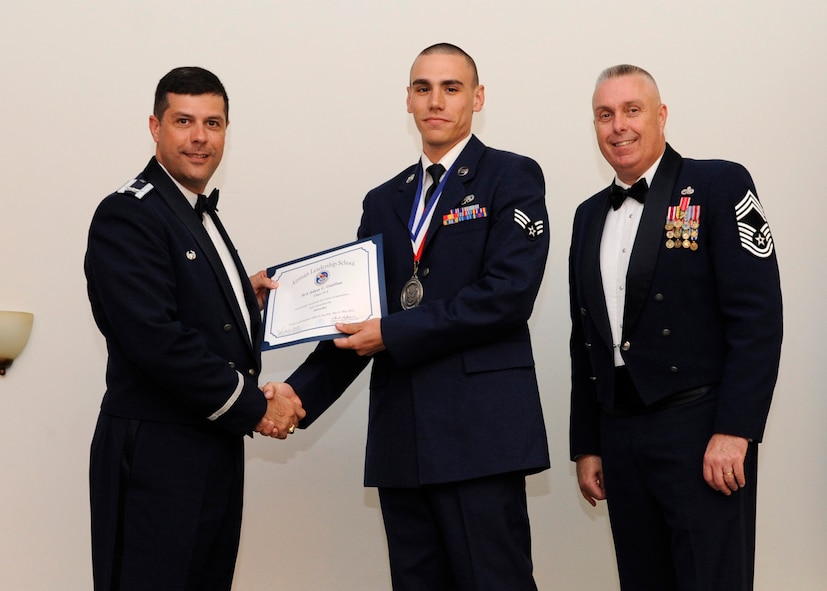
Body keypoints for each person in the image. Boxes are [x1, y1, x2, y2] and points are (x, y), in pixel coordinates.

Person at [264, 43, 550, 590]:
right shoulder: (384, 200)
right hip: (403, 442)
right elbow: (357, 318)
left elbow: (507, 295)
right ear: (409, 101)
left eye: (451, 87)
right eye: (423, 88)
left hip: (479, 441)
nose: (435, 101)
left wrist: (392, 332)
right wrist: (298, 397)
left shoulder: (511, 177)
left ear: (478, 98)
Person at [84, 66, 304, 591]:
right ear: (155, 127)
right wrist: (257, 407)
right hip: (158, 455)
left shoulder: (190, 210)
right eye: (184, 121)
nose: (200, 137)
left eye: (213, 122)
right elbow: (156, 338)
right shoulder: (127, 214)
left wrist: (237, 296)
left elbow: (183, 301)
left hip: (208, 444)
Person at [568, 64, 783, 590]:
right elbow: (585, 338)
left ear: (661, 116)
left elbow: (758, 318)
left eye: (632, 110)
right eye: (605, 115)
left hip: (700, 431)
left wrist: (735, 431)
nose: (618, 126)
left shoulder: (717, 182)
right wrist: (588, 442)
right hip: (620, 434)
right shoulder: (586, 214)